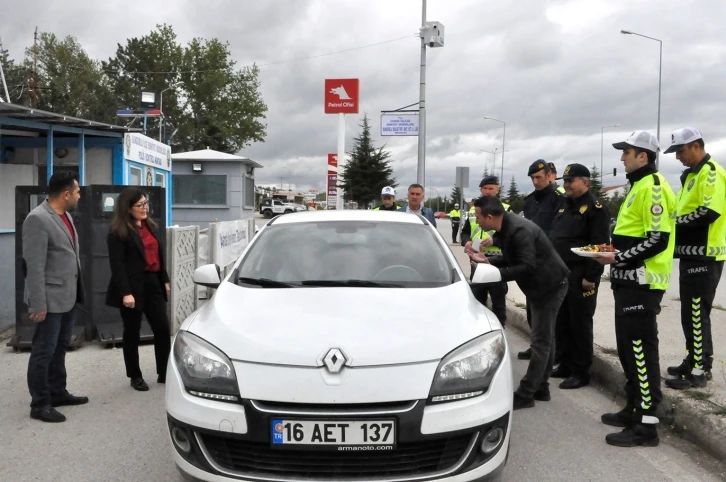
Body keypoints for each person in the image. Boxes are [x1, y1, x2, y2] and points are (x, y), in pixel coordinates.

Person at [595, 131, 676, 447]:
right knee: (629, 351)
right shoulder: (637, 187)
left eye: (626, 152)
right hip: (627, 282)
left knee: (642, 352)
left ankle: (646, 426)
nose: (621, 158)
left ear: (644, 156)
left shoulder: (653, 188)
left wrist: (616, 257)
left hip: (643, 283)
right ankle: (632, 409)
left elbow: (659, 239)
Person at [468, 196, 569, 409]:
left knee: (541, 341)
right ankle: (541, 387)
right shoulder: (505, 228)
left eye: (478, 217)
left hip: (549, 287)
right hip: (539, 287)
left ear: (489, 216)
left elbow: (527, 266)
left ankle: (526, 393)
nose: (477, 222)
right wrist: (487, 261)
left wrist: (494, 273)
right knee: (546, 338)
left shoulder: (518, 231)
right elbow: (512, 258)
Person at [22, 171, 88, 423]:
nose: (80, 196)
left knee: (60, 347)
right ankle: (39, 404)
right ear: (66, 194)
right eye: (78, 191)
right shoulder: (37, 219)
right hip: (48, 299)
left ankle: (58, 392)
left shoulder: (67, 216)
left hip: (67, 295)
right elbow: (34, 266)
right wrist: (38, 303)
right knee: (43, 351)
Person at [662, 128, 726, 389]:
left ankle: (700, 370)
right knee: (690, 313)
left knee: (698, 313)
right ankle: (693, 358)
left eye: (681, 150)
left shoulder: (711, 172)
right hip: (691, 254)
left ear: (697, 146)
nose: (677, 156)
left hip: (706, 254)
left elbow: (708, 212)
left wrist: (672, 226)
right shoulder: (692, 175)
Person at [549, 163, 611, 389]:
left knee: (580, 323)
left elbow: (601, 246)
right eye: (564, 181)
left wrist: (591, 277)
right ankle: (565, 363)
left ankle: (581, 371)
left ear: (585, 182)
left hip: (581, 274)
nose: (566, 185)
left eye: (570, 181)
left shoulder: (597, 209)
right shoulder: (564, 205)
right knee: (562, 320)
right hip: (561, 272)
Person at [106, 187, 172, 392]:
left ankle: (164, 372)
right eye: (140, 205)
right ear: (128, 208)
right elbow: (117, 266)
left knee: (162, 328)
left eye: (146, 204)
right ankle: (135, 375)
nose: (145, 208)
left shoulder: (150, 226)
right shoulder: (117, 233)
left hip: (153, 282)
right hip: (132, 286)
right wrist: (126, 293)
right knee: (132, 332)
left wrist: (165, 280)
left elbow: (158, 256)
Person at [519, 160, 564, 360]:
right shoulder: (529, 201)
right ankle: (536, 345)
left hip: (550, 262)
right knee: (532, 308)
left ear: (549, 176)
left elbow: (558, 231)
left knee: (549, 313)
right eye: (533, 178)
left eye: (539, 177)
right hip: (532, 262)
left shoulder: (559, 199)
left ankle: (553, 352)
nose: (536, 181)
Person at [461, 176, 510, 326]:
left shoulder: (506, 209)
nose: (488, 192)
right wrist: (467, 241)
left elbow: (510, 236)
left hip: (498, 261)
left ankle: (500, 330)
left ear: (497, 189)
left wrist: (494, 240)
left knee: (498, 302)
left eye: (491, 188)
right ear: (481, 190)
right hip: (476, 260)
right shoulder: (472, 210)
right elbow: (464, 232)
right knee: (477, 299)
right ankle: (478, 330)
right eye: (485, 189)